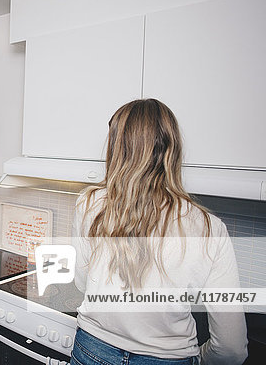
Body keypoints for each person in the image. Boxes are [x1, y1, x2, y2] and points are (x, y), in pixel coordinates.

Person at [71, 98, 248, 364]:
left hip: (92, 350)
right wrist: (199, 358)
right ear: (172, 149)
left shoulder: (90, 203)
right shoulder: (209, 228)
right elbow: (232, 347)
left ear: (116, 147)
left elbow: (83, 284)